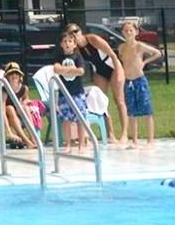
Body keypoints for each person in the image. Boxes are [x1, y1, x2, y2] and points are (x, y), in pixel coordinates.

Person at [65, 22, 128, 143]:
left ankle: (124, 133)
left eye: (76, 31)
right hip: (99, 70)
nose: (75, 35)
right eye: (71, 34)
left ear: (80, 31)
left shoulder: (93, 39)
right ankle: (110, 134)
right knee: (101, 102)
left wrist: (119, 71)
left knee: (119, 99)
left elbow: (112, 55)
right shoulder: (77, 49)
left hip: (113, 66)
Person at [117, 19, 162, 147]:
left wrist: (144, 62)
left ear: (136, 32)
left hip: (139, 80)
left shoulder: (139, 46)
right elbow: (121, 60)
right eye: (126, 30)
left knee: (147, 110)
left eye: (131, 30)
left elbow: (157, 53)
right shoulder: (121, 47)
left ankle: (150, 140)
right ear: (122, 32)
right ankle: (134, 140)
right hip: (128, 81)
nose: (128, 33)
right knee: (131, 112)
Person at [51, 32, 89, 150]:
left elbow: (81, 71)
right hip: (64, 94)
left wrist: (65, 70)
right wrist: (71, 69)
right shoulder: (59, 57)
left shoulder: (78, 57)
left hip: (77, 93)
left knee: (80, 118)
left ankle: (81, 144)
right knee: (66, 120)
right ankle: (68, 144)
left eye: (70, 41)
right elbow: (56, 69)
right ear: (61, 44)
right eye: (65, 41)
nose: (67, 43)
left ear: (74, 44)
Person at [0, 62, 39, 149]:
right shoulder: (4, 90)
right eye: (11, 73)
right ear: (7, 77)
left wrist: (25, 102)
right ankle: (26, 141)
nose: (14, 75)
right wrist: (9, 132)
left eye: (16, 73)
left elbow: (26, 99)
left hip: (19, 112)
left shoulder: (24, 88)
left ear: (20, 76)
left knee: (25, 108)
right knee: (10, 108)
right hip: (8, 113)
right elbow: (2, 110)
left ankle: (33, 138)